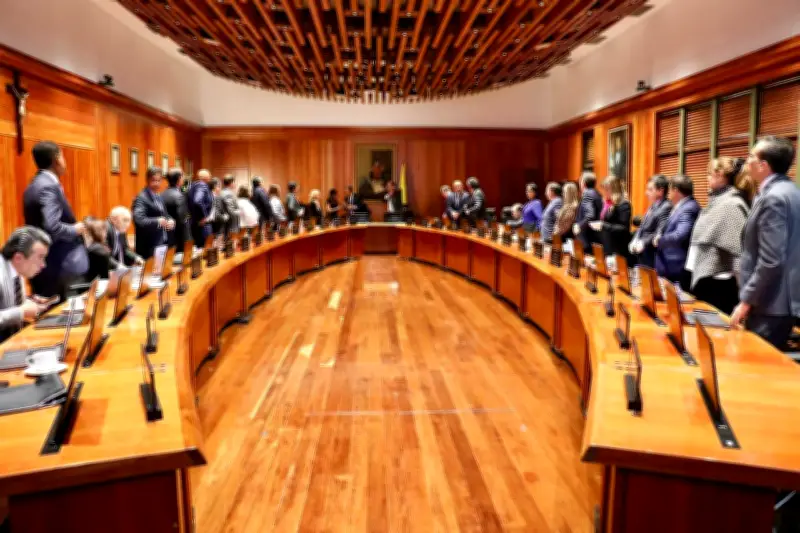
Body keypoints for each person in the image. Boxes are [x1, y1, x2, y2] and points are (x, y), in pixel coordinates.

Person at [731, 136, 800, 349]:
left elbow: (771, 259)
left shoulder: (774, 198)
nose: (746, 160)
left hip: (770, 303)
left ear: (763, 165)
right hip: (780, 301)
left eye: (751, 156)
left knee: (753, 362)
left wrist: (746, 301)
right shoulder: (791, 191)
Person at [23, 141, 88, 298]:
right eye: (63, 157)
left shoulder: (33, 185)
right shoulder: (48, 186)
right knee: (67, 312)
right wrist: (75, 229)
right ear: (57, 159)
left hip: (46, 266)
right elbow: (52, 227)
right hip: (60, 268)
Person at [686, 157, 750, 315]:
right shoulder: (717, 200)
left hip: (720, 284)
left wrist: (745, 295)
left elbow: (737, 251)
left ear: (720, 175)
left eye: (709, 174)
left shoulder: (732, 204)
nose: (706, 178)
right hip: (707, 279)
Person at [0, 226, 51, 342]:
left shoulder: (18, 270)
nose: (43, 265)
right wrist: (21, 312)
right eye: (40, 257)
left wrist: (29, 301)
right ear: (18, 258)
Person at [655, 175, 700, 287]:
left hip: (677, 266)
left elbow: (680, 235)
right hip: (669, 265)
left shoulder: (689, 207)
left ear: (675, 190)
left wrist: (660, 240)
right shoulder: (681, 206)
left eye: (670, 190)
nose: (668, 193)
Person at [629, 175, 671, 268]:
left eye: (650, 190)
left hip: (652, 256)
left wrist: (643, 242)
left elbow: (660, 232)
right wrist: (635, 239)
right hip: (642, 254)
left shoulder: (666, 207)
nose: (646, 193)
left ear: (660, 191)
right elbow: (642, 226)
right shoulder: (653, 205)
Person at [132, 167, 174, 260]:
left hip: (162, 242)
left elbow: (164, 215)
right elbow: (138, 219)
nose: (157, 184)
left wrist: (171, 220)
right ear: (147, 180)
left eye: (159, 180)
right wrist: (157, 221)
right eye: (154, 180)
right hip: (149, 246)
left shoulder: (158, 196)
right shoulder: (141, 198)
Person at [590, 175, 631, 259]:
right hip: (605, 245)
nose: (604, 192)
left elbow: (624, 228)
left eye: (607, 189)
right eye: (604, 189)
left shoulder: (623, 204)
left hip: (616, 247)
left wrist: (603, 225)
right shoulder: (607, 202)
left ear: (615, 189)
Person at [572, 172, 603, 250]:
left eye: (580, 181)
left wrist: (579, 225)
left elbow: (590, 215)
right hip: (594, 236)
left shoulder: (587, 194)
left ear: (583, 183)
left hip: (586, 237)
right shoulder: (596, 193)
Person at [162, 168, 189, 250]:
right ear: (179, 178)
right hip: (178, 239)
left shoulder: (161, 194)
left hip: (166, 237)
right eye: (183, 176)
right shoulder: (179, 196)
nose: (184, 178)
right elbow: (182, 221)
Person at [188, 169, 214, 246]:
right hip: (203, 225)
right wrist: (204, 216)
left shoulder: (193, 185)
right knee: (206, 248)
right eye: (210, 176)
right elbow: (197, 201)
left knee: (199, 248)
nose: (210, 179)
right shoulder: (202, 185)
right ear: (206, 178)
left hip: (194, 223)